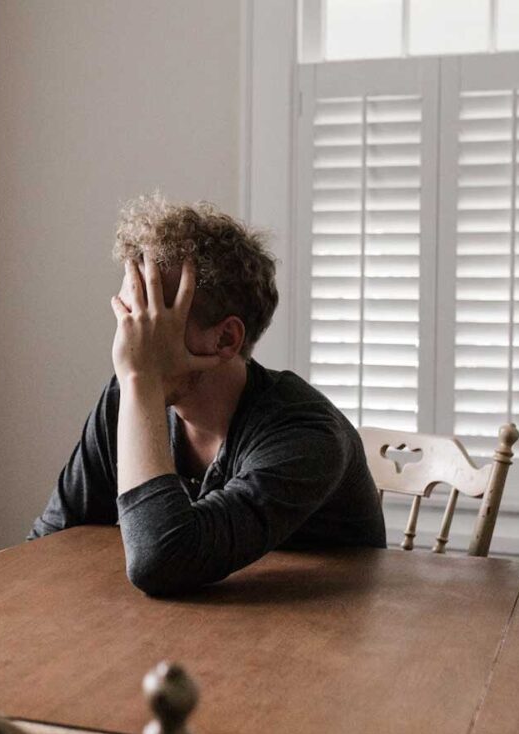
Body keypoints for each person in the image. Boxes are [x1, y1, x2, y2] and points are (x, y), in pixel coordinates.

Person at [29, 193, 385, 596]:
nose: (127, 342)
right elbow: (47, 544)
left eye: (151, 320)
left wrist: (141, 381)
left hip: (323, 640)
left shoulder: (307, 434)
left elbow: (161, 562)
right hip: (191, 632)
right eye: (128, 316)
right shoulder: (127, 397)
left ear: (226, 338)